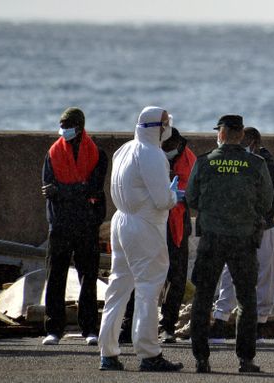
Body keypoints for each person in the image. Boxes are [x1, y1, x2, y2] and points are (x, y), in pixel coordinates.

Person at [98, 106, 184, 372]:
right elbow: (161, 200)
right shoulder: (153, 154)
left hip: (121, 221)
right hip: (145, 225)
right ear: (158, 127)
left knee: (118, 287)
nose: (168, 127)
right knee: (149, 288)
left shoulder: (123, 150)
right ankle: (149, 353)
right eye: (166, 123)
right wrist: (174, 196)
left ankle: (108, 353)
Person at [187, 115, 273, 374]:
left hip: (212, 239)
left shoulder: (205, 162)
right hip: (243, 240)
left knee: (202, 298)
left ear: (222, 134)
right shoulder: (255, 164)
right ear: (240, 135)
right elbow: (266, 202)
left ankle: (201, 359)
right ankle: (245, 360)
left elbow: (191, 198)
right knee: (247, 299)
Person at [209, 127, 274, 344]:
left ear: (252, 143)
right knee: (258, 277)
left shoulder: (264, 168)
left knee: (235, 276)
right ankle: (253, 328)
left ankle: (224, 325)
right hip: (259, 227)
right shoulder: (265, 167)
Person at [41, 107, 108, 346]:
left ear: (79, 128)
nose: (63, 130)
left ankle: (89, 329)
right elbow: (48, 189)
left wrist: (64, 191)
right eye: (62, 125)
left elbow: (94, 187)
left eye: (67, 125)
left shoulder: (98, 154)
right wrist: (76, 190)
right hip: (59, 224)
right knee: (55, 277)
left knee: (88, 278)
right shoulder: (53, 153)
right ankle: (53, 329)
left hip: (86, 225)